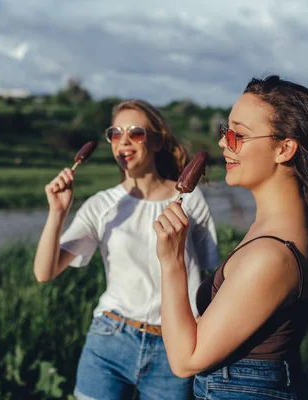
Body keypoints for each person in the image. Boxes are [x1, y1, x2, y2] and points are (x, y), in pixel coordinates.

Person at [153, 76, 308, 399]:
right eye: (226, 131)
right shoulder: (304, 227)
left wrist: (171, 262)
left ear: (284, 148)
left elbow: (184, 360)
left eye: (239, 135)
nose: (224, 143)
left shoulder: (271, 255)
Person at [33, 99, 219, 400]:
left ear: (157, 141)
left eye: (136, 133)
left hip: (172, 347)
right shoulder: (102, 205)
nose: (124, 141)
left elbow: (206, 279)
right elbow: (44, 272)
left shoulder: (190, 201)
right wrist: (57, 213)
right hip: (110, 338)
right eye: (115, 133)